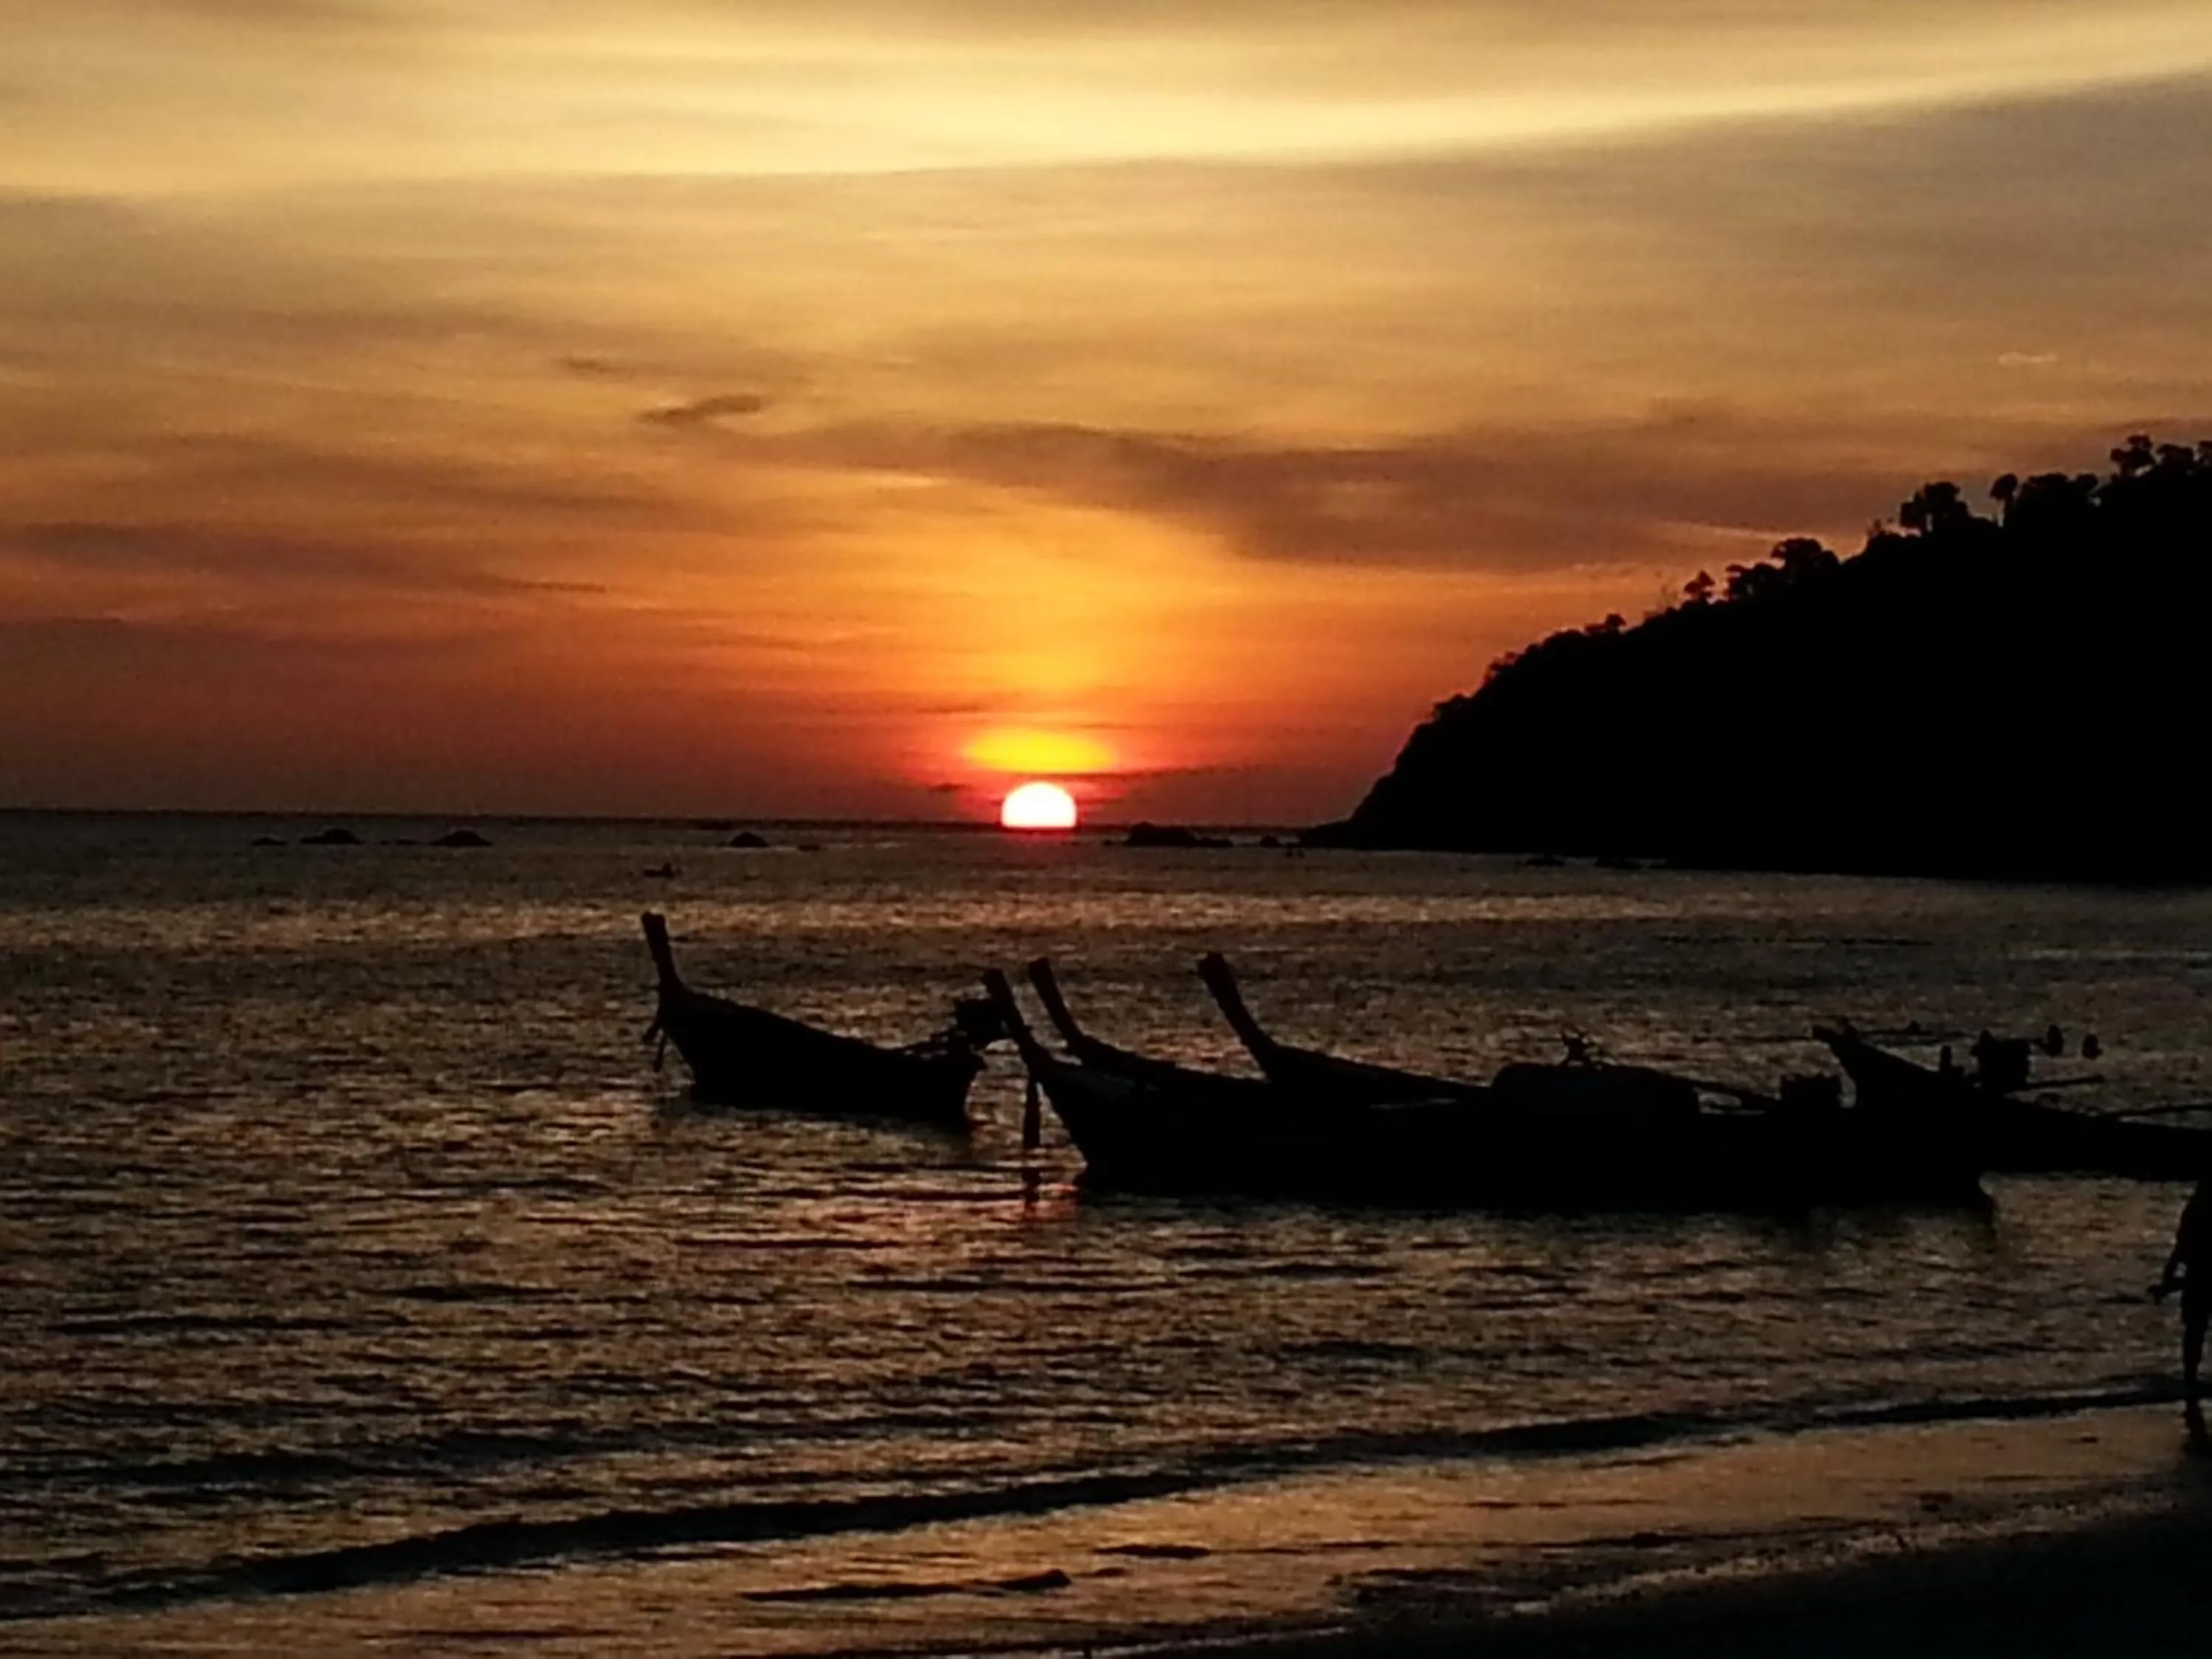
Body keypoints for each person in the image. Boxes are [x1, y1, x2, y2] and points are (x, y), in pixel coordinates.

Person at [2152, 1172, 2212, 1439]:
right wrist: (2168, 1277)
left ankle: (2191, 1381)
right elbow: (2181, 1247)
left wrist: (2169, 1277)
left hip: (2197, 1278)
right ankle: (2191, 1381)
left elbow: (2180, 1247)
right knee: (2194, 1332)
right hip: (2197, 1277)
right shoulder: (2195, 1211)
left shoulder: (2194, 1210)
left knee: (2194, 1333)